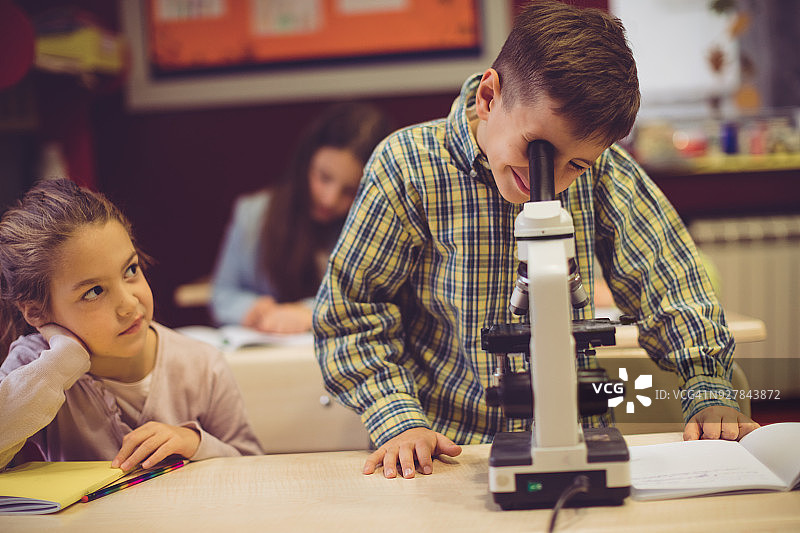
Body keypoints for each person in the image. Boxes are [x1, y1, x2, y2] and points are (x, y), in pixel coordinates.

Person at [313, 0, 760, 480]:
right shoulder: (406, 167)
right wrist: (398, 419)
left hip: (576, 440)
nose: (551, 178)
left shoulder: (605, 173)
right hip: (445, 450)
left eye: (577, 165)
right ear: (489, 97)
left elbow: (670, 281)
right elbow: (350, 313)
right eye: (538, 149)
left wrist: (708, 387)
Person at [0, 178, 263, 471]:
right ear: (37, 312)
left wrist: (195, 443)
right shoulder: (36, 367)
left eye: (130, 270)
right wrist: (63, 361)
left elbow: (252, 464)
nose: (129, 304)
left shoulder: (203, 365)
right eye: (94, 292)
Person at [210, 102, 392, 334]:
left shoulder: (375, 227)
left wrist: (309, 312)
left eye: (349, 191)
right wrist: (252, 309)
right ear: (305, 161)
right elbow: (222, 295)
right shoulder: (253, 215)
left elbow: (378, 302)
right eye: (324, 178)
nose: (330, 199)